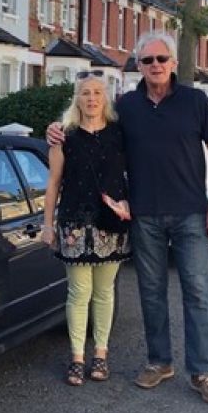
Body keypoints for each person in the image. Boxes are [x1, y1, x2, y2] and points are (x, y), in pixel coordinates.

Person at [47, 31, 208, 405]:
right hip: (143, 215)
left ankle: (204, 372)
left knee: (196, 293)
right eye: (147, 61)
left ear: (173, 63)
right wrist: (54, 130)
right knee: (151, 293)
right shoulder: (127, 107)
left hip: (190, 213)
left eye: (161, 59)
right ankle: (159, 361)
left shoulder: (195, 101)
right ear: (138, 66)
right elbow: (89, 121)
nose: (156, 66)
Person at [43, 73, 131, 386]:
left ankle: (101, 355)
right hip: (74, 223)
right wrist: (47, 224)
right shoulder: (63, 135)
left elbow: (134, 174)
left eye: (96, 93)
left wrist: (129, 204)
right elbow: (53, 183)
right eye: (85, 93)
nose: (91, 99)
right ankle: (78, 357)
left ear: (105, 98)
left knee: (105, 292)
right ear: (76, 99)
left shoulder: (120, 133)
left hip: (111, 222)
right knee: (79, 292)